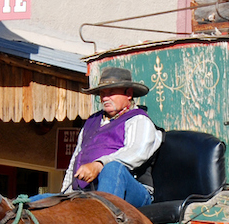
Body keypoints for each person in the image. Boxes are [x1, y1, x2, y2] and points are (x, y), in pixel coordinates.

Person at [61, 66, 162, 208]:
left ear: (129, 94)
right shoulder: (91, 122)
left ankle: (102, 221)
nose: (105, 98)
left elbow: (136, 153)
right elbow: (75, 160)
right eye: (103, 93)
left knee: (113, 168)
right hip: (86, 193)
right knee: (37, 203)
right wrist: (63, 196)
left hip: (134, 193)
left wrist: (99, 164)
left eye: (112, 92)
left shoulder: (139, 120)